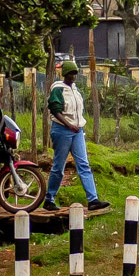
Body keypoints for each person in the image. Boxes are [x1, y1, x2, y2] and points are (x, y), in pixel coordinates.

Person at [42, 58, 99, 208]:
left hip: (77, 130)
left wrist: (77, 126)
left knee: (83, 164)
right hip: (62, 130)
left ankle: (93, 199)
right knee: (59, 166)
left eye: (75, 73)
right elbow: (55, 109)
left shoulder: (75, 89)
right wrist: (68, 124)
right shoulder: (58, 88)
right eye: (70, 74)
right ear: (65, 74)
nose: (73, 76)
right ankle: (49, 198)